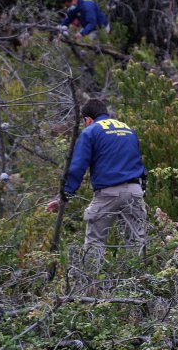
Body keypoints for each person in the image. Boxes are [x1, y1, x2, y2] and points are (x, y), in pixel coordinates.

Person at [46, 99, 146, 261]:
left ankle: (91, 284)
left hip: (108, 193)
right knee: (136, 242)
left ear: (88, 119)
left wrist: (64, 195)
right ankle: (136, 282)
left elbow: (78, 167)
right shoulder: (128, 129)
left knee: (95, 243)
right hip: (135, 191)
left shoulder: (91, 131)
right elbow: (138, 162)